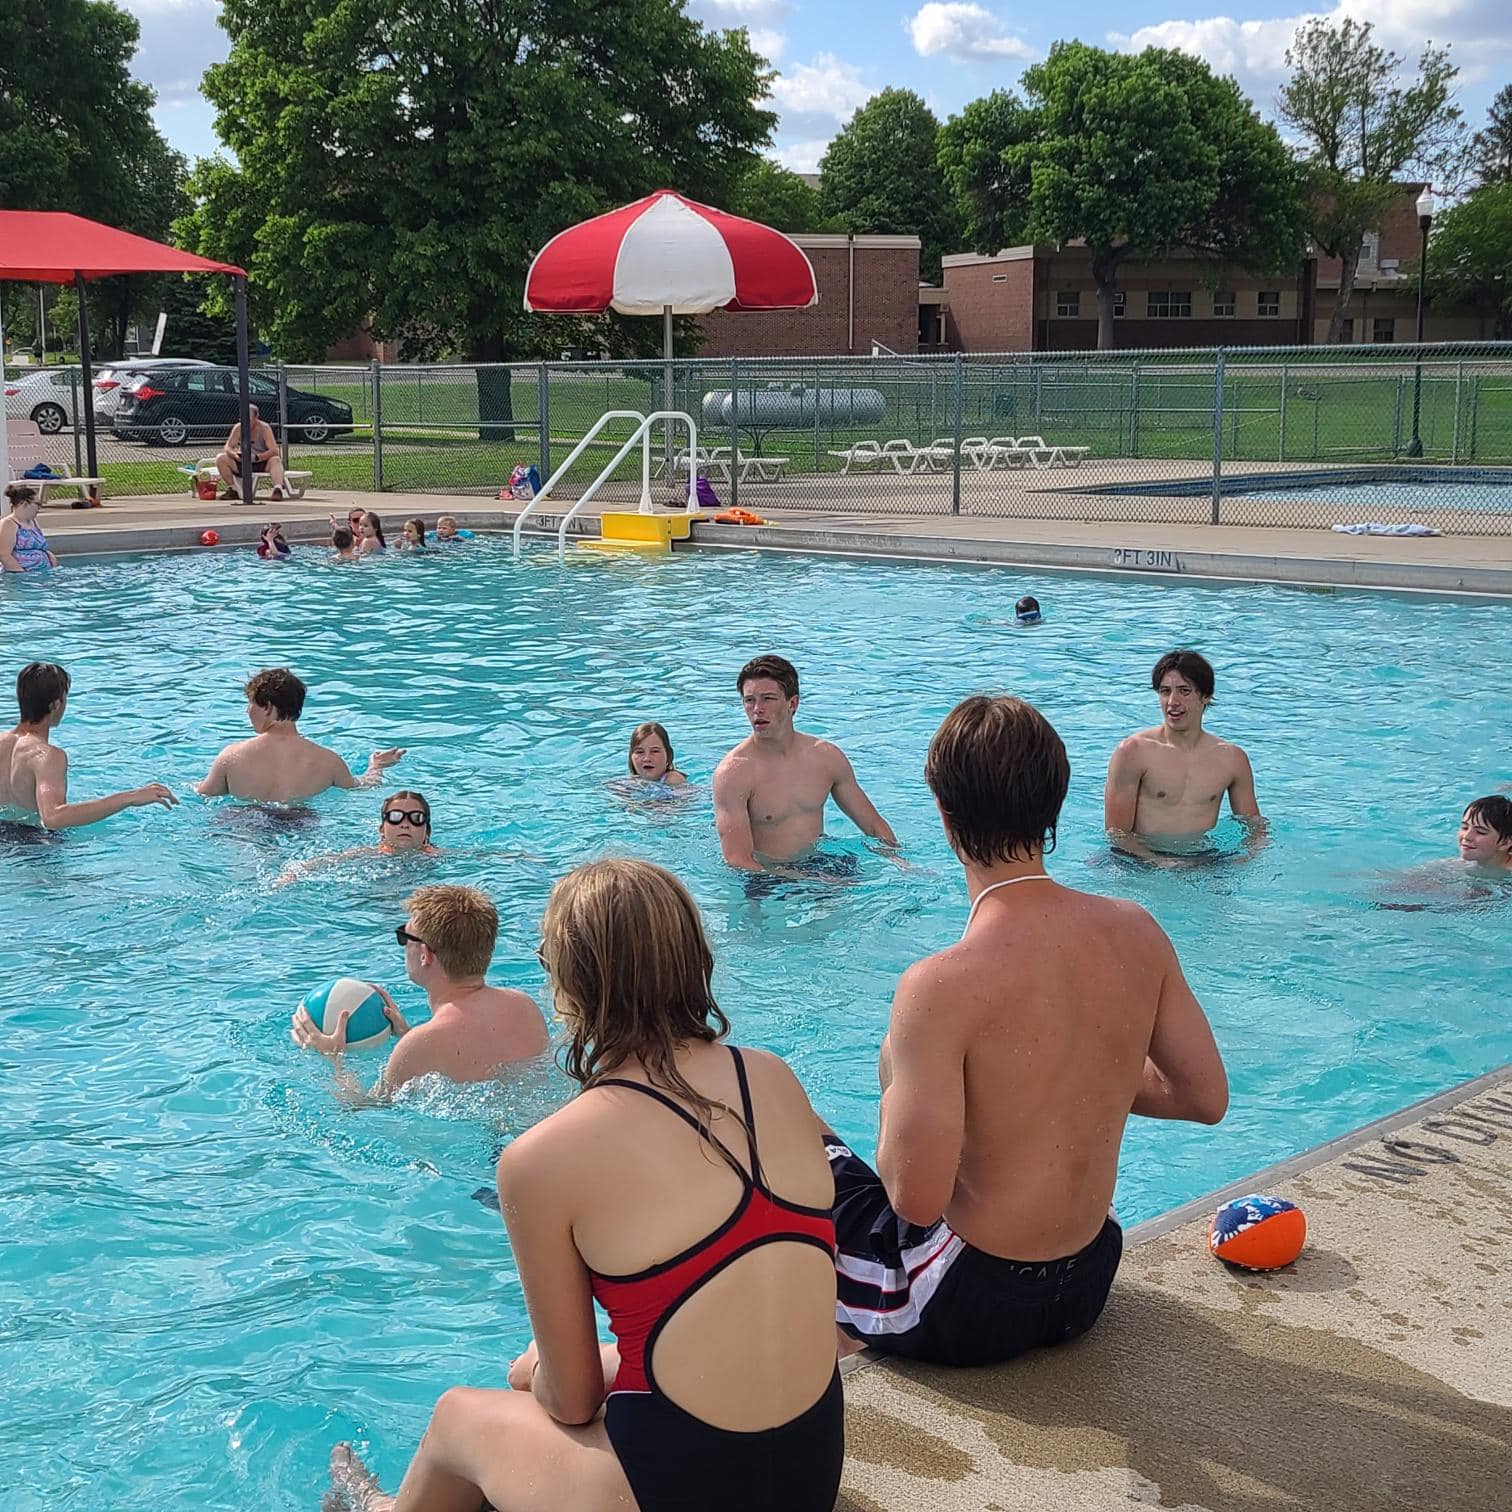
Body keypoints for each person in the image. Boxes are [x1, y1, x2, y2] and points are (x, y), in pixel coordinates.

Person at [325, 860, 843, 1511]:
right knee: (551, 1369)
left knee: (460, 1415)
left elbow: (571, 1403)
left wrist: (543, 1372)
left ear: (572, 981)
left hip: (687, 1496)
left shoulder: (544, 1157)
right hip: (809, 1474)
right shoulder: (774, 1079)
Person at [825, 694, 1229, 1366]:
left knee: (786, 1132)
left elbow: (915, 1201)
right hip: (1087, 1282)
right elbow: (1203, 1097)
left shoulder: (939, 986)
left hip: (969, 1304)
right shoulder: (1137, 931)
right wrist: (1078, 1068)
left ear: (946, 813)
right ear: (1055, 807)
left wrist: (896, 1074)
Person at [291, 883, 548, 1103]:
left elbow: (363, 1109)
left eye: (405, 937)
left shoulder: (418, 1047)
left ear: (425, 955)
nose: (404, 947)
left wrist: (334, 1059)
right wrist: (407, 1033)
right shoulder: (524, 1005)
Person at [712, 654, 897, 873]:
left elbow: (874, 826)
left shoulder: (825, 758)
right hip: (766, 878)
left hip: (817, 864)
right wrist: (807, 881)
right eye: (749, 700)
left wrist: (900, 863)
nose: (757, 709)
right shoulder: (734, 773)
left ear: (793, 703)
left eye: (768, 699)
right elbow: (737, 859)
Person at [1104, 648, 1263, 858]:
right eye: (1165, 691)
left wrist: (1247, 859)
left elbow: (1254, 826)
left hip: (1203, 861)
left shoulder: (1232, 759)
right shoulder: (1133, 752)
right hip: (1139, 863)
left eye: (1184, 691)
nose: (1172, 702)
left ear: (1205, 696)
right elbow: (1117, 835)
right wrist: (1159, 863)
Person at [0, 662, 177, 828]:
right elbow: (53, 817)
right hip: (34, 845)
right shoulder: (47, 756)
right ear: (56, 704)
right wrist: (129, 798)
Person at [195, 667, 403, 801]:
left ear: (267, 707)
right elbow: (364, 786)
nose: (247, 711)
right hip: (299, 826)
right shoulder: (328, 761)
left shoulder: (231, 757)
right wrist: (376, 766)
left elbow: (202, 794)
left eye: (250, 704)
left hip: (245, 826)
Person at [276, 789, 438, 885]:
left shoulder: (437, 857)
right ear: (382, 829)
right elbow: (319, 863)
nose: (405, 824)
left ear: (427, 831)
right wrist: (291, 875)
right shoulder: (368, 855)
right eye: (396, 817)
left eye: (416, 818)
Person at [215, 404, 289, 501]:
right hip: (242, 462)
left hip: (260, 462)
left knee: (275, 460)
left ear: (256, 417)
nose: (245, 422)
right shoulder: (238, 428)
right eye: (243, 419)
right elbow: (228, 446)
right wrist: (234, 454)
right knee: (221, 458)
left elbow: (274, 450)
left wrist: (257, 457)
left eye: (249, 419)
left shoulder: (265, 428)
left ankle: (277, 489)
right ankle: (232, 489)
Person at [1, 483, 58, 573]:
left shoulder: (33, 522)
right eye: (37, 504)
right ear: (24, 503)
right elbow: (4, 555)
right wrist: (21, 574)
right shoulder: (9, 524)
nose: (39, 508)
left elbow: (42, 549)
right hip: (21, 576)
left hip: (42, 574)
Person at [1455, 796, 1512, 873]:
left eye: (1480, 832)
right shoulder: (1459, 865)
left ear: (1505, 843)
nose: (1466, 836)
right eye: (1465, 827)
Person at [627, 720, 687, 787]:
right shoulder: (630, 783)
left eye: (655, 751)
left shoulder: (673, 779)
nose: (647, 758)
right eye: (639, 752)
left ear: (668, 754)